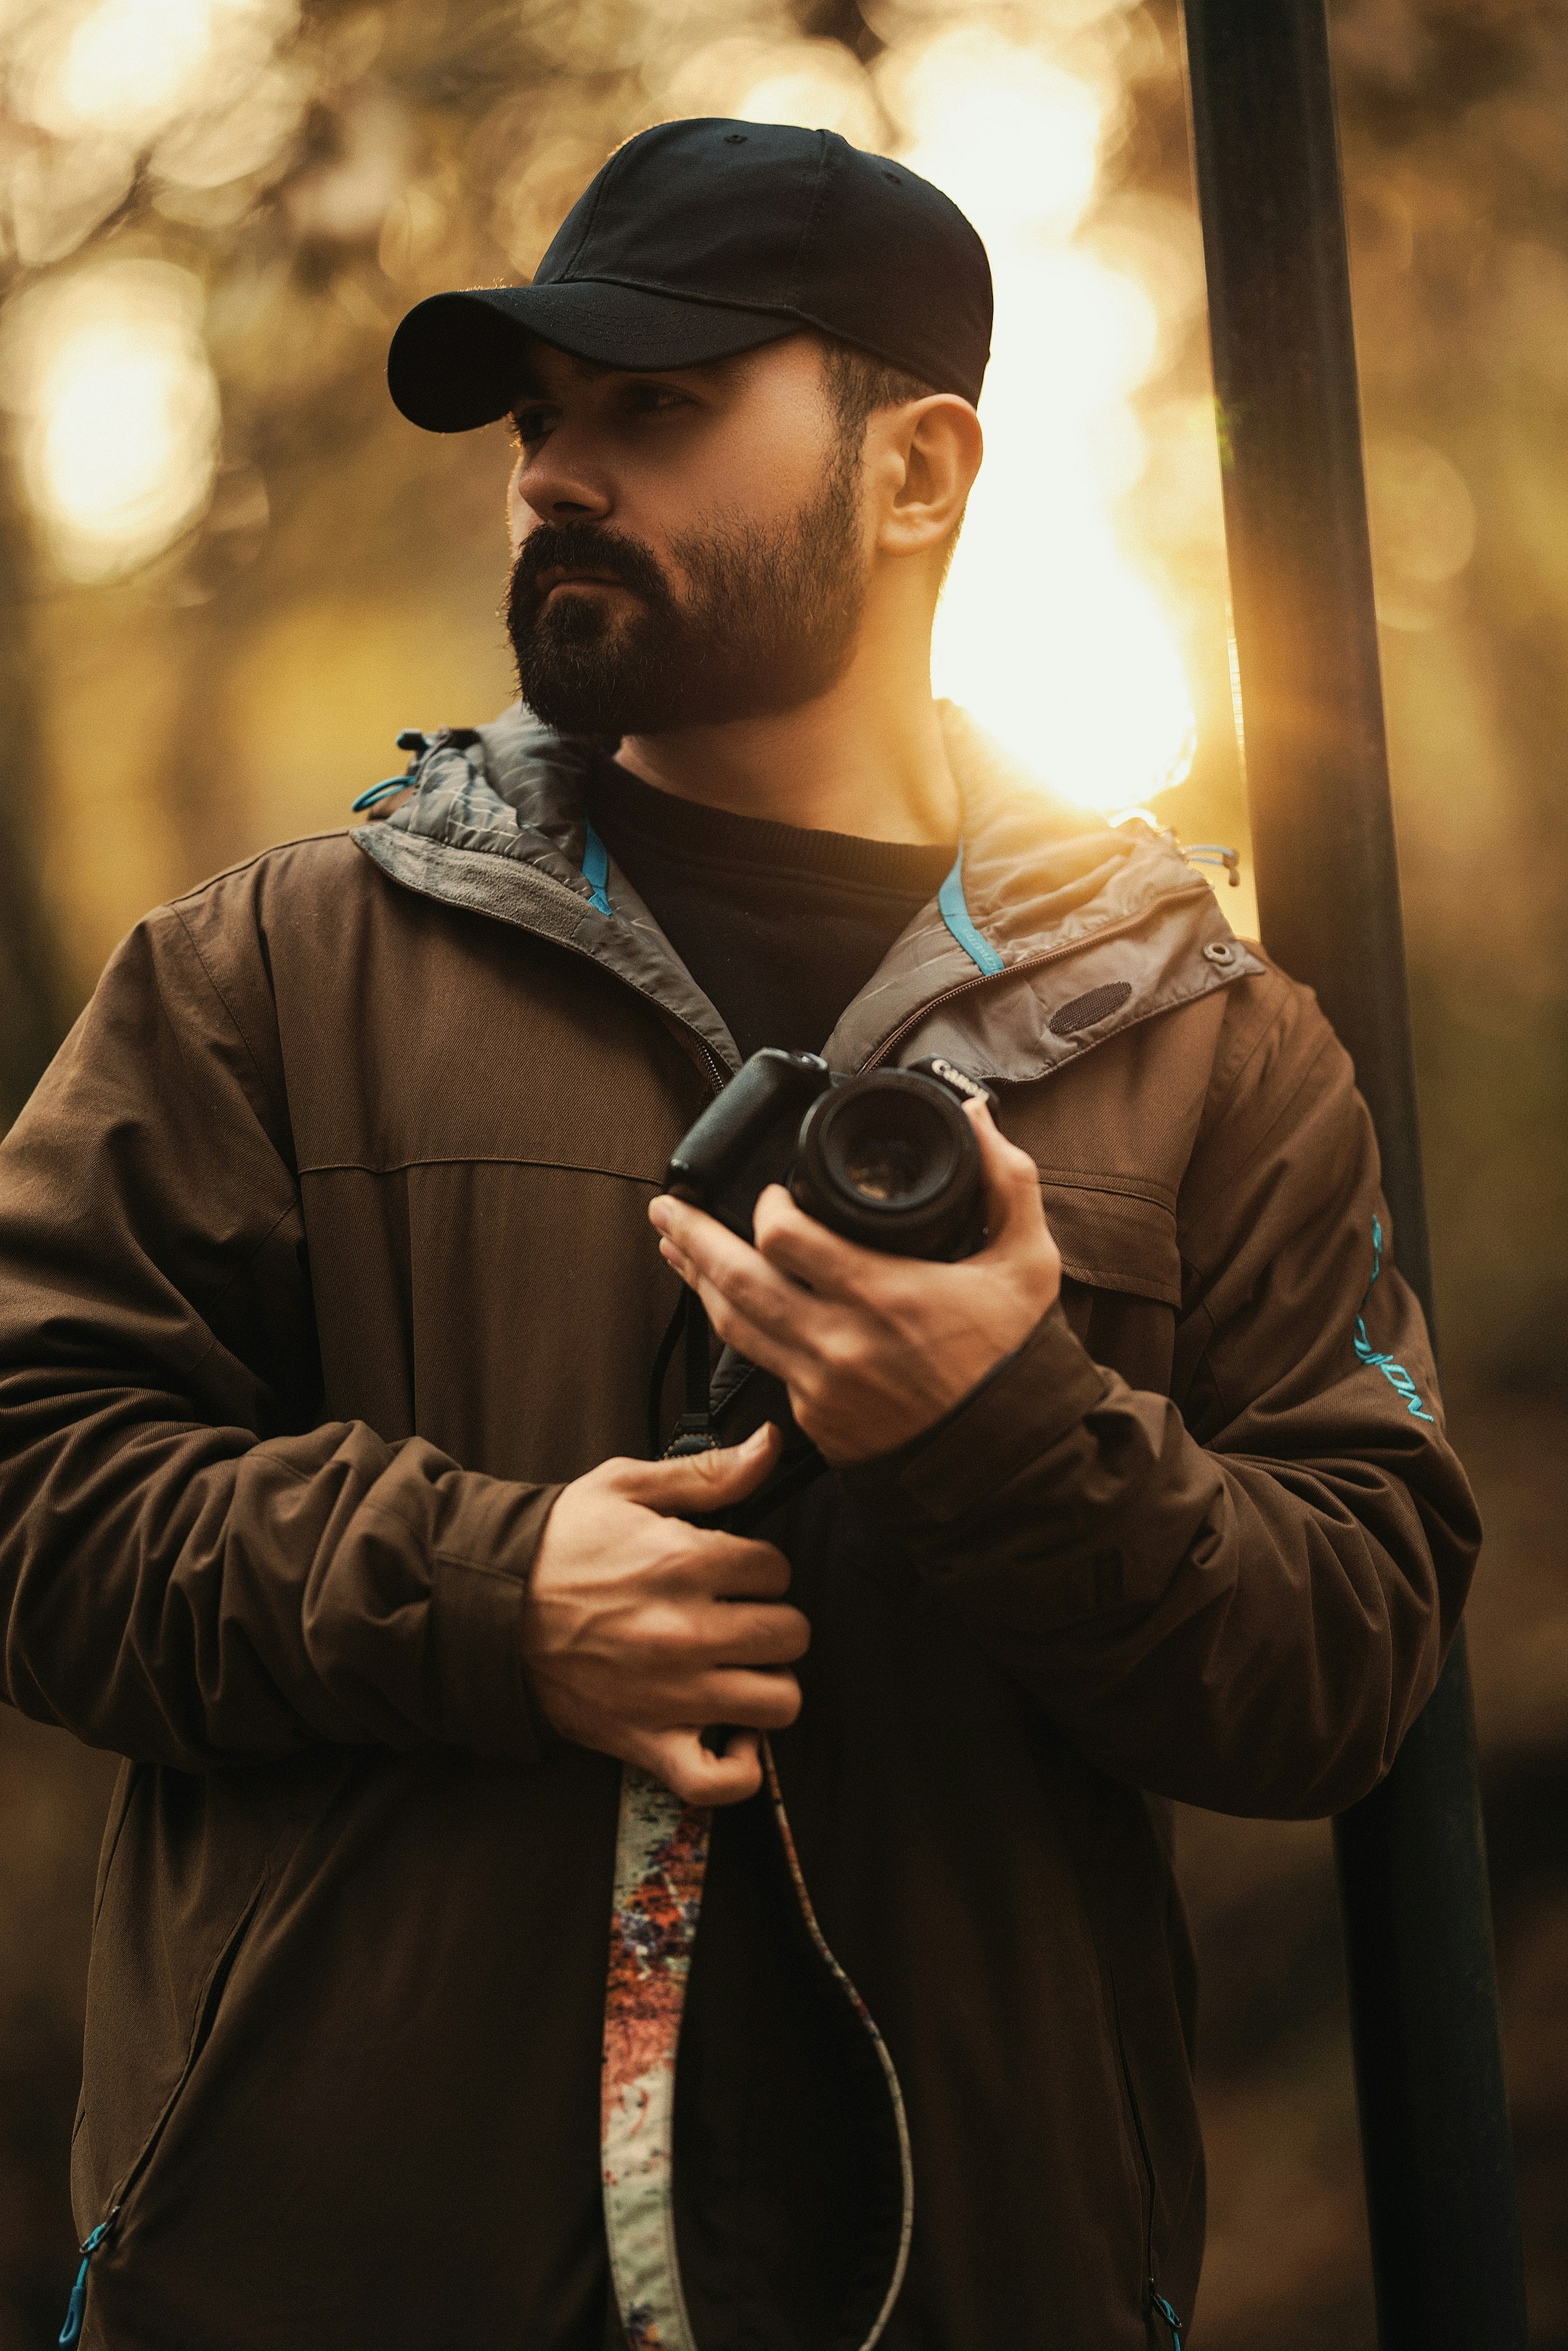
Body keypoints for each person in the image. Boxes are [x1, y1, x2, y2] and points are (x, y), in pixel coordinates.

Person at [0, 118, 1477, 2351]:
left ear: (919, 473)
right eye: (538, 422)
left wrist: (1008, 1426)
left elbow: (1351, 1659)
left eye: (655, 409)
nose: (553, 478)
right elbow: (32, 1477)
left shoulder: (1215, 1052)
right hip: (331, 2284)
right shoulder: (272, 977)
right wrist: (497, 1599)